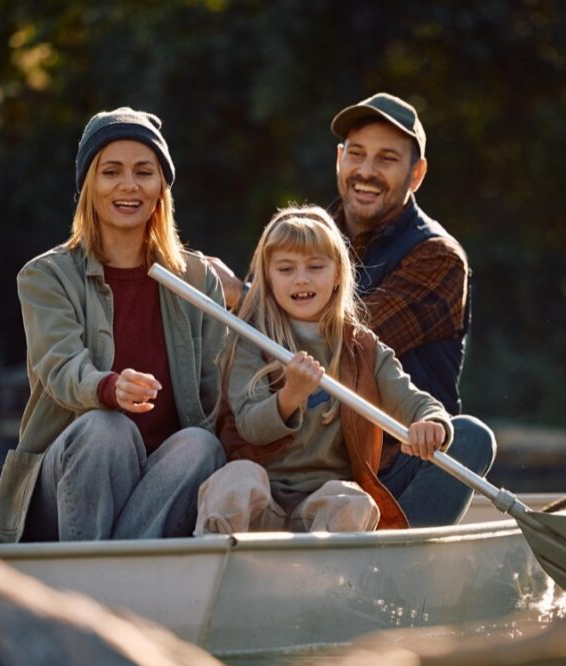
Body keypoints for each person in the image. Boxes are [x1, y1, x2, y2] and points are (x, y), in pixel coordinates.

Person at [210, 94, 496, 527]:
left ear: (416, 174)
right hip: (283, 452)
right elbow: (249, 351)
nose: (366, 171)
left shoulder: (438, 257)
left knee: (470, 438)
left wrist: (241, 294)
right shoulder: (304, 234)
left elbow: (346, 336)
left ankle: (393, 551)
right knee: (212, 446)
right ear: (339, 159)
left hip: (382, 461)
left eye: (387, 159)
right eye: (357, 154)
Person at [0, 107, 226, 544]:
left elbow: (218, 397)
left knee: (202, 445)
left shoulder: (197, 280)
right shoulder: (46, 276)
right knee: (106, 428)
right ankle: (91, 562)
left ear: (161, 187)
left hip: (161, 490)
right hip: (62, 488)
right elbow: (61, 369)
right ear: (89, 186)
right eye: (111, 172)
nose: (128, 185)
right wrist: (109, 388)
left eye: (144, 172)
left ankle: (115, 565)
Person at [195, 206, 452, 534]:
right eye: (286, 269)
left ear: (338, 275)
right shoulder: (251, 339)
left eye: (316, 267)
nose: (301, 279)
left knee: (353, 500)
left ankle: (325, 568)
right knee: (236, 479)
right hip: (262, 505)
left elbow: (414, 401)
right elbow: (250, 426)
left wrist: (432, 422)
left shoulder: (361, 348)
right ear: (268, 278)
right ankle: (214, 560)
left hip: (320, 510)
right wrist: (290, 396)